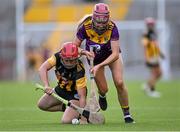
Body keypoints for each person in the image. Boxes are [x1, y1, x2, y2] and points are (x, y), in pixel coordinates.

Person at [74, 3, 134, 123]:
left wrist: (99, 66)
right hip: (95, 60)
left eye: (104, 21)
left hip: (111, 57)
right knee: (104, 89)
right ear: (94, 18)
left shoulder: (112, 27)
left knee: (119, 82)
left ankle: (127, 114)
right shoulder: (85, 27)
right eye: (98, 21)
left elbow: (116, 53)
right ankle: (102, 95)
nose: (101, 25)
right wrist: (85, 52)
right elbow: (75, 47)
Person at [37, 42, 87, 123]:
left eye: (72, 60)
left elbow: (82, 96)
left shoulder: (79, 70)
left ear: (77, 58)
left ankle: (78, 109)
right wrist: (46, 85)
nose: (69, 63)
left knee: (65, 121)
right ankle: (67, 108)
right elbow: (42, 68)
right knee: (42, 105)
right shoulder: (56, 57)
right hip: (60, 89)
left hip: (74, 95)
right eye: (66, 60)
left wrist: (83, 118)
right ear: (61, 56)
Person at [141, 17, 165, 98]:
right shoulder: (146, 34)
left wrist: (160, 53)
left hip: (155, 56)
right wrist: (147, 57)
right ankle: (151, 90)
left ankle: (147, 85)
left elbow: (156, 45)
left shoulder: (153, 33)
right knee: (154, 74)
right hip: (150, 57)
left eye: (152, 24)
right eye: (149, 24)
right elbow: (144, 45)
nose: (151, 26)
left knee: (160, 73)